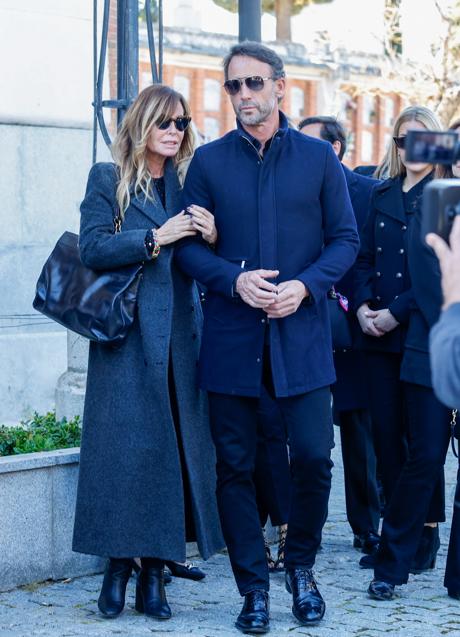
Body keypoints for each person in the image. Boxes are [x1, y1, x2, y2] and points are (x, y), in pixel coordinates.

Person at [175, 41, 359, 633]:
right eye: (234, 86)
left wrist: (304, 287)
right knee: (234, 467)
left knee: (313, 459)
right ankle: (253, 590)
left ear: (281, 87)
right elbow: (185, 253)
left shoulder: (318, 159)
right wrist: (234, 280)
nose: (244, 95)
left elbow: (345, 241)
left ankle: (300, 568)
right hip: (232, 342)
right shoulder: (206, 165)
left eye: (255, 83)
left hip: (301, 338)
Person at [72, 84, 224, 620]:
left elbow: (214, 252)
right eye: (166, 121)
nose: (175, 131)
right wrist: (156, 238)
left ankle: (156, 574)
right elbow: (90, 247)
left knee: (174, 453)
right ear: (143, 122)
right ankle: (118, 566)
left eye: (182, 123)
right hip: (126, 336)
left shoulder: (190, 180)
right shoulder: (107, 178)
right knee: (122, 454)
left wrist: (209, 232)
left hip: (182, 334)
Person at [353, 104, 451, 600]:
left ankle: (408, 545)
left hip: (425, 334)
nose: (410, 150)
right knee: (389, 445)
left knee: (428, 448)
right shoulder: (379, 194)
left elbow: (440, 274)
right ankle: (407, 535)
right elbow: (363, 256)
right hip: (379, 338)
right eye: (400, 141)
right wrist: (366, 306)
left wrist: (396, 310)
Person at [298, 116, 381, 556]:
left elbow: (372, 259)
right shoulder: (291, 188)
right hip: (301, 323)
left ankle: (367, 525)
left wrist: (366, 306)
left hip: (353, 327)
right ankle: (291, 524)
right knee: (304, 436)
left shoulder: (368, 194)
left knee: (358, 431)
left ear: (335, 149)